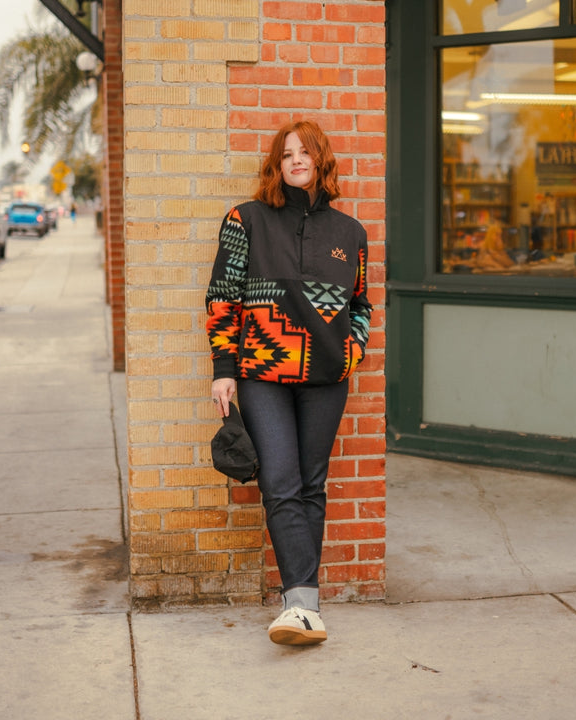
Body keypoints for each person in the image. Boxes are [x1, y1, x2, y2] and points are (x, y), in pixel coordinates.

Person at [206, 120, 372, 646]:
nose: (295, 160)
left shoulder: (351, 233)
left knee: (311, 486)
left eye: (305, 152)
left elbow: (360, 304)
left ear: (322, 160)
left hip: (326, 378)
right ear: (276, 165)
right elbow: (222, 298)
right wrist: (223, 370)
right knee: (279, 482)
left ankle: (304, 607)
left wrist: (353, 349)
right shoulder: (246, 220)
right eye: (286, 154)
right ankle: (302, 606)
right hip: (262, 376)